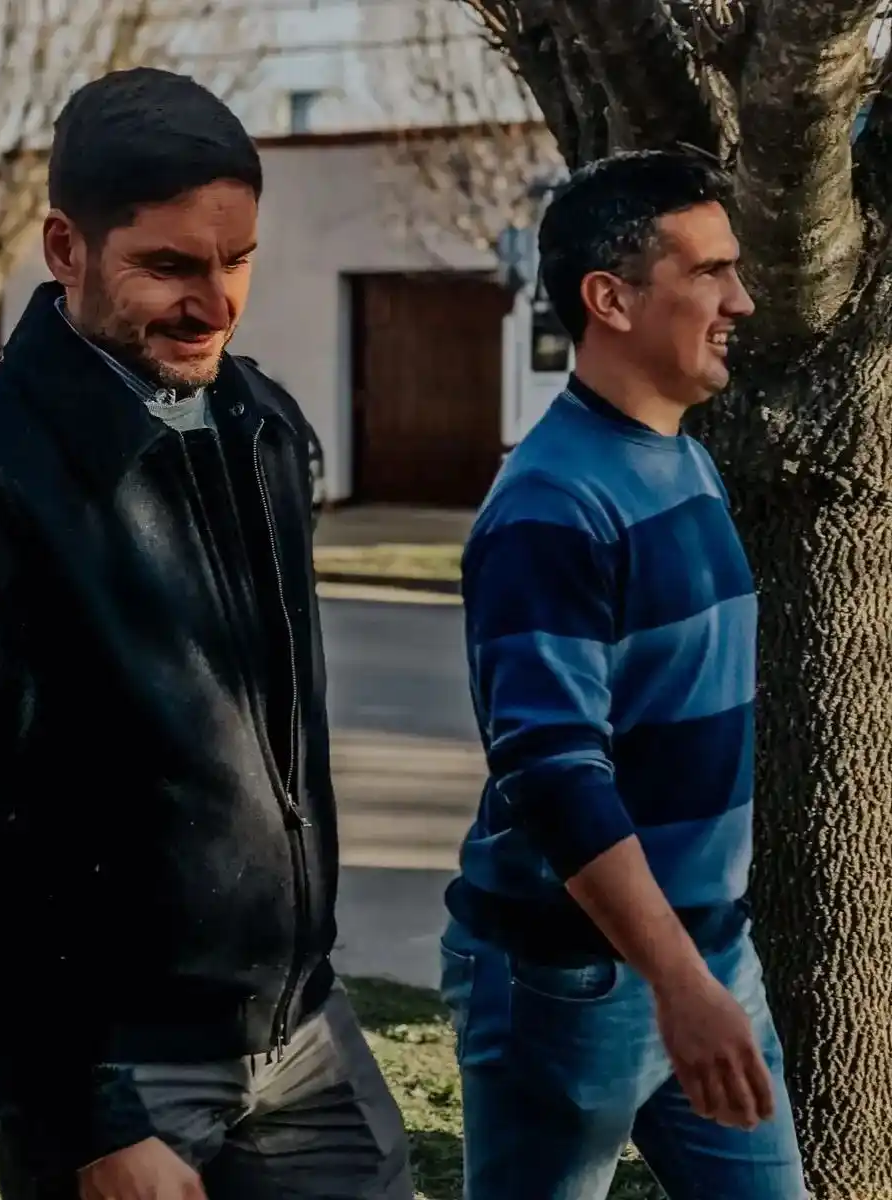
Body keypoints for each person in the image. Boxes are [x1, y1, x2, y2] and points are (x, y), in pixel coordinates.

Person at [0, 68, 413, 1200]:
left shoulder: (263, 424)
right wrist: (85, 1113)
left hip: (305, 1028)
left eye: (238, 261)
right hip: (118, 1072)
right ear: (64, 248)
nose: (216, 302)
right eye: (170, 265)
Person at [441, 150, 807, 1198]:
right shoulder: (550, 508)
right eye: (710, 273)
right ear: (610, 299)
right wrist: (679, 984)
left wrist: (702, 972)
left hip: (704, 957)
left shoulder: (680, 451)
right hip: (569, 981)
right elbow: (556, 777)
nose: (741, 299)